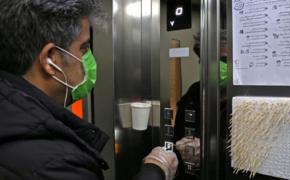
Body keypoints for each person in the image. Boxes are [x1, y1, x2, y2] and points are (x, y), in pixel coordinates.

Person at [0, 0, 177, 179]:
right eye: (83, 48)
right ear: (50, 60)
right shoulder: (57, 162)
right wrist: (156, 170)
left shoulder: (12, 114)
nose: (88, 58)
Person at [173, 31, 228, 180]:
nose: (216, 67)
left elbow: (257, 154)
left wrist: (213, 149)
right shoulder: (192, 94)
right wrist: (181, 149)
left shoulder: (248, 101)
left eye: (224, 60)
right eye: (209, 60)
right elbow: (176, 139)